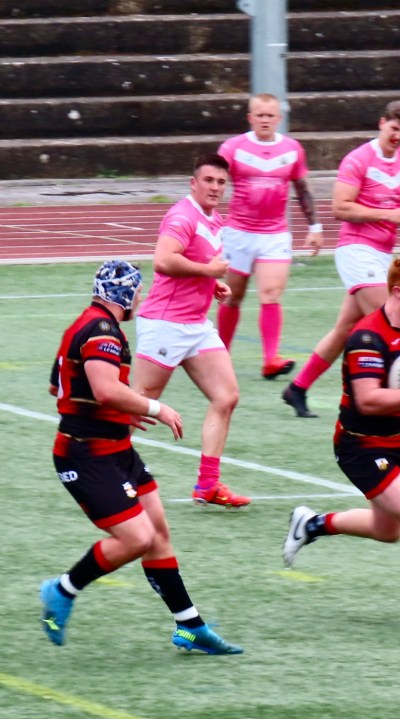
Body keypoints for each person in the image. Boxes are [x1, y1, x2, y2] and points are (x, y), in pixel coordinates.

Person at [40, 260, 242, 654]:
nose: (139, 299)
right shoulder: (103, 332)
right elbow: (104, 389)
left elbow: (59, 387)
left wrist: (120, 410)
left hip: (116, 448)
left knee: (158, 533)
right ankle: (62, 589)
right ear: (125, 294)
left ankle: (190, 626)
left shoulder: (85, 323)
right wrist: (153, 407)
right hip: (87, 455)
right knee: (138, 538)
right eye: (137, 292)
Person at [282, 254, 400, 624]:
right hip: (361, 446)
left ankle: (311, 524)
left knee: (387, 531)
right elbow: (368, 401)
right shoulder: (367, 337)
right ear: (399, 292)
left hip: (399, 442)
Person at [282, 101, 400, 418]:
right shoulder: (358, 159)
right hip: (356, 250)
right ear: (382, 123)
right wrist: (386, 214)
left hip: (383, 255)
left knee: (345, 329)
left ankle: (297, 388)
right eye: (394, 129)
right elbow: (340, 207)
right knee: (393, 319)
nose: (398, 136)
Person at [132, 153, 250, 508]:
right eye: (209, 180)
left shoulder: (215, 219)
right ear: (193, 183)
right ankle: (96, 465)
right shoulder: (182, 216)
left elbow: (198, 263)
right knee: (136, 405)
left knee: (226, 396)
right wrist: (207, 272)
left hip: (196, 326)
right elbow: (163, 260)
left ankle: (207, 485)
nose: (215, 187)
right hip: (165, 324)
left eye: (221, 182)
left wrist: (212, 284)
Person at [215, 93, 323, 379]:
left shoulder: (292, 149)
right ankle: (219, 357)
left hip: (274, 234)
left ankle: (270, 359)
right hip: (238, 233)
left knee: (271, 293)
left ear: (279, 118)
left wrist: (315, 226)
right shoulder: (233, 148)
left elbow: (302, 189)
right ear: (250, 118)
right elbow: (214, 182)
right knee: (232, 296)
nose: (265, 120)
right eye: (259, 115)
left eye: (270, 115)